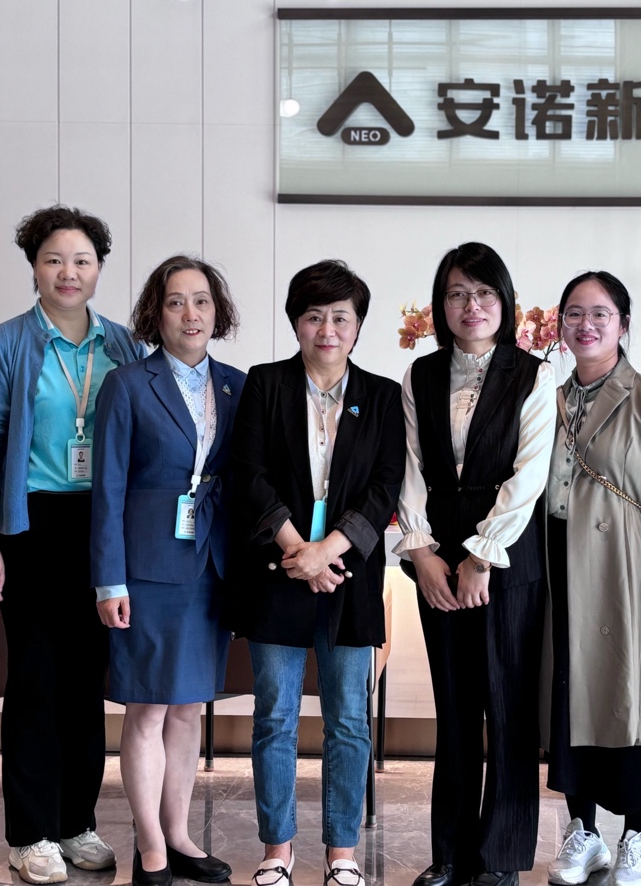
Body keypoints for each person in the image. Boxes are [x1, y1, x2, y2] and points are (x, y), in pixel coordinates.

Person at [0, 205, 146, 885]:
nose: (69, 272)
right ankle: (30, 833)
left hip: (103, 528)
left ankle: (76, 823)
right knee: (35, 679)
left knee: (85, 682)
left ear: (99, 269)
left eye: (82, 261)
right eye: (54, 260)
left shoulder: (122, 345)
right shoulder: (4, 345)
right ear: (34, 268)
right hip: (31, 526)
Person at [226, 260, 405, 886]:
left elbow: (385, 487)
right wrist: (298, 551)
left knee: (348, 720)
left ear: (358, 326)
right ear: (295, 322)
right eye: (314, 316)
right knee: (274, 716)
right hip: (279, 568)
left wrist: (327, 552)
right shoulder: (266, 384)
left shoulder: (382, 395)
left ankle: (341, 853)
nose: (327, 330)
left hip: (348, 574)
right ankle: (277, 850)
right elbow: (249, 474)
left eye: (340, 318)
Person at [396, 242, 555, 886]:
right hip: (436, 553)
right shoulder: (420, 374)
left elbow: (530, 473)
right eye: (458, 293)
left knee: (508, 705)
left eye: (485, 292)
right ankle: (451, 851)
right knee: (455, 705)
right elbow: (408, 467)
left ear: (504, 301)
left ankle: (502, 856)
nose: (472, 305)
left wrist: (483, 554)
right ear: (441, 305)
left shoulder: (533, 374)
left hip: (508, 554)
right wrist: (421, 551)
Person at [541, 272, 641, 886]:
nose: (586, 325)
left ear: (623, 325)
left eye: (600, 314)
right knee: (571, 700)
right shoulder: (548, 399)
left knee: (633, 700)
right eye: (575, 313)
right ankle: (582, 833)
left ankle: (637, 836)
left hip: (627, 571)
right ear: (560, 324)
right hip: (561, 566)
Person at [90, 255, 245, 886]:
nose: (190, 313)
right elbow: (107, 490)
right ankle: (150, 844)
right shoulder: (127, 385)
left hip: (210, 567)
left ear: (217, 311)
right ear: (156, 314)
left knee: (188, 709)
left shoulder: (236, 386)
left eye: (201, 300)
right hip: (146, 571)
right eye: (176, 301)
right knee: (148, 709)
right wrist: (110, 580)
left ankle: (179, 835)